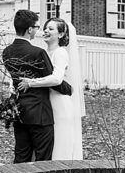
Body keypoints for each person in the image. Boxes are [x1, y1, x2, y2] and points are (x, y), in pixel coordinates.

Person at [16, 17, 84, 161]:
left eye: (51, 29)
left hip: (58, 102)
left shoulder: (60, 53)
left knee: (58, 141)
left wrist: (31, 83)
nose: (46, 31)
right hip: (43, 102)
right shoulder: (42, 53)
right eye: (45, 28)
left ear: (60, 35)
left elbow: (57, 79)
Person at [1, 9, 55, 163]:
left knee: (21, 157)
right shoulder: (38, 53)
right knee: (43, 159)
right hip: (40, 112)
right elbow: (50, 79)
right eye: (37, 27)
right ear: (30, 29)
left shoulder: (7, 52)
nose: (38, 30)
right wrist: (69, 88)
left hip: (19, 111)